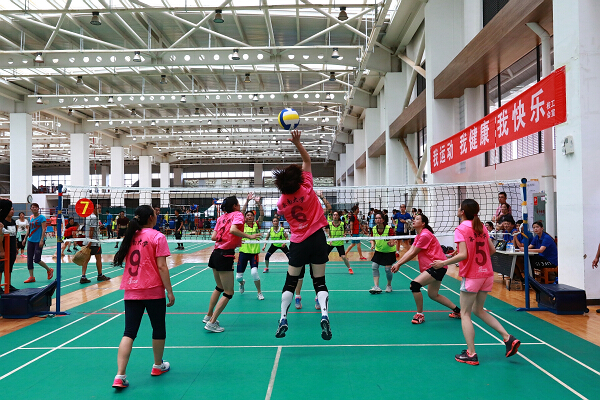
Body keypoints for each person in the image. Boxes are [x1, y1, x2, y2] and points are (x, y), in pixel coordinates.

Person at [431, 199, 520, 365]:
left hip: (472, 276)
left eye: (459, 207)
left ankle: (471, 353)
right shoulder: (481, 227)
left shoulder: (461, 229)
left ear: (463, 212)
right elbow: (491, 250)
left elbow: (463, 254)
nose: (458, 209)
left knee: (465, 314)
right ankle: (508, 338)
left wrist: (443, 263)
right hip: (487, 274)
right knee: (479, 310)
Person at [273, 129, 332, 341]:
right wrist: (297, 143)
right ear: (298, 179)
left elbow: (284, 207)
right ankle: (324, 315)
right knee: (320, 281)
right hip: (317, 238)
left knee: (291, 281)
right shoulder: (307, 187)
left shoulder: (281, 203)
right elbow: (307, 161)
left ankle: (283, 318)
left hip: (298, 242)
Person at [111, 205, 175, 389]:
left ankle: (120, 375)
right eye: (155, 214)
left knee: (129, 332)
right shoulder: (158, 237)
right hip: (153, 290)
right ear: (151, 218)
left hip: (131, 290)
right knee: (158, 329)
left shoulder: (130, 236)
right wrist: (170, 291)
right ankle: (157, 366)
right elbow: (162, 266)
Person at [204, 196, 261, 332]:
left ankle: (208, 316)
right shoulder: (238, 215)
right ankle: (212, 322)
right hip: (225, 255)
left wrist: (230, 239)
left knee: (219, 287)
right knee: (229, 292)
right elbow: (233, 230)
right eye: (238, 203)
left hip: (215, 254)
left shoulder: (221, 218)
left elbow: (213, 237)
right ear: (235, 206)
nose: (240, 205)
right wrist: (249, 236)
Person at [391, 213, 461, 324]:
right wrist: (398, 263)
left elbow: (413, 253)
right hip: (436, 266)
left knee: (414, 285)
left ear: (423, 223)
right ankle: (458, 311)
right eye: (414, 218)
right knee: (433, 295)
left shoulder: (425, 235)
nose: (414, 220)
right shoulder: (419, 235)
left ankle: (420, 315)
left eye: (417, 219)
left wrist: (399, 264)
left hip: (437, 266)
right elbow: (410, 250)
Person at [236, 193, 265, 300]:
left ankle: (259, 292)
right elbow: (241, 213)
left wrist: (258, 203)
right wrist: (247, 201)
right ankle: (242, 283)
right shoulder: (242, 225)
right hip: (243, 252)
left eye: (251, 215)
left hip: (254, 253)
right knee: (238, 277)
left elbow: (262, 214)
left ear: (253, 217)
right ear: (245, 217)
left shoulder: (257, 224)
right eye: (247, 215)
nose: (249, 216)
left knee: (254, 273)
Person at [23, 203, 53, 283]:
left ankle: (49, 270)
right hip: (30, 240)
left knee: (37, 259)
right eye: (32, 207)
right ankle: (31, 277)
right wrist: (25, 238)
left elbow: (43, 229)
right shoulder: (31, 217)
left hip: (38, 241)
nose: (34, 208)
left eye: (36, 207)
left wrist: (41, 240)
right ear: (31, 209)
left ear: (38, 208)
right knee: (29, 259)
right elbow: (29, 229)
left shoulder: (42, 218)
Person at [80, 203, 110, 284]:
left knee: (86, 259)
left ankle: (83, 276)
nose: (100, 209)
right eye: (98, 208)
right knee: (98, 258)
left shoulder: (88, 216)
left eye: (100, 207)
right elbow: (91, 230)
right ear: (93, 209)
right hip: (94, 242)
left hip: (88, 240)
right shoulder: (94, 217)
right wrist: (90, 241)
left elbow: (91, 228)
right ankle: (100, 275)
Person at [368, 212, 396, 294]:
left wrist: (391, 244)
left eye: (379, 218)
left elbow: (393, 241)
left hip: (389, 252)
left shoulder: (389, 229)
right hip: (379, 251)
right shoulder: (373, 229)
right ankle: (376, 286)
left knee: (388, 270)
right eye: (376, 218)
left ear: (383, 220)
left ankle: (389, 285)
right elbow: (372, 239)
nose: (378, 220)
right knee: (374, 266)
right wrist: (372, 245)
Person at [1, 206, 19, 292]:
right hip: (4, 249)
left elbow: (14, 236)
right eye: (10, 209)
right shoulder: (2, 223)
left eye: (13, 209)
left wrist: (16, 247)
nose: (12, 211)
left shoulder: (13, 222)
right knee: (1, 268)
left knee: (9, 267)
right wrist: (2, 250)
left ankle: (8, 284)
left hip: (12, 248)